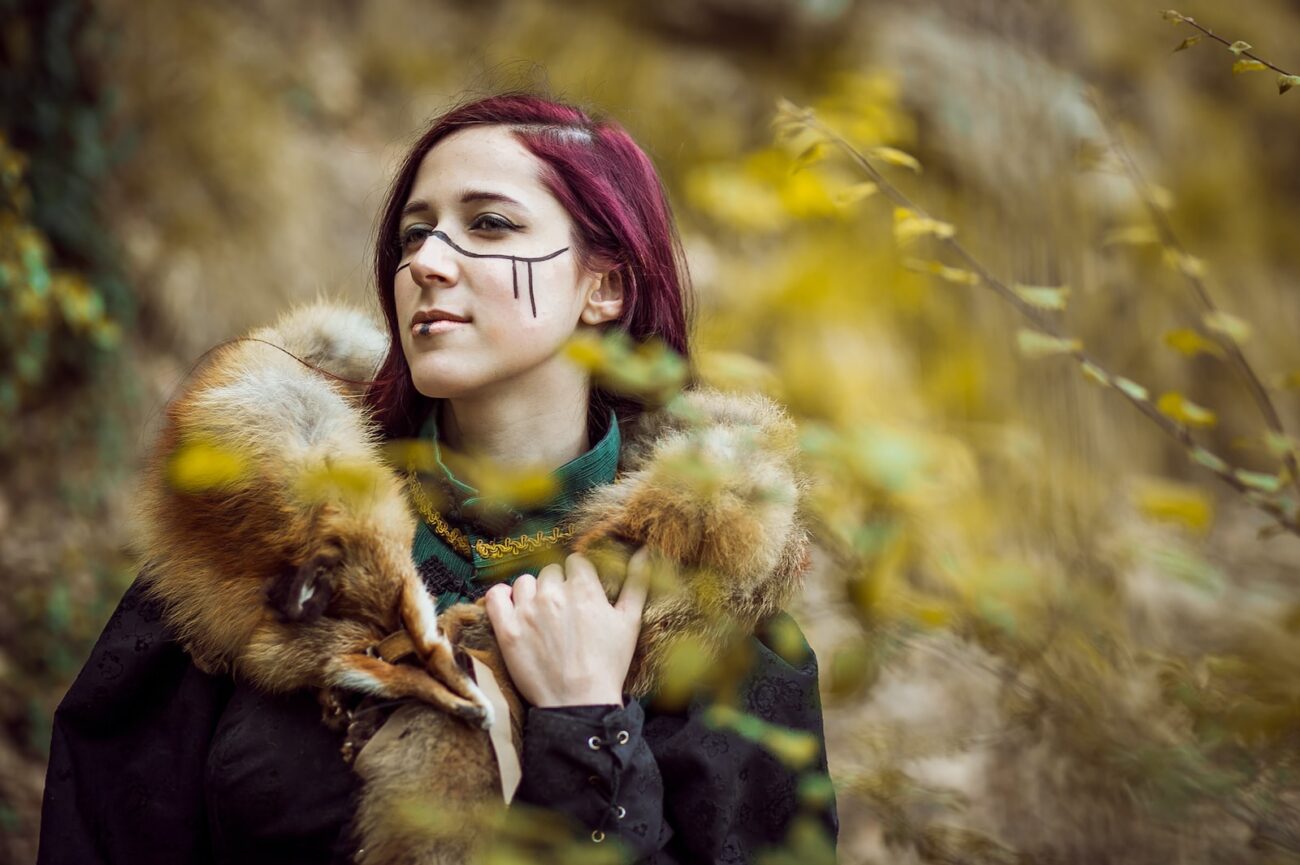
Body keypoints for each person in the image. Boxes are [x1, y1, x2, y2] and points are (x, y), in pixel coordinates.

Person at [36, 91, 838, 864]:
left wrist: (587, 720)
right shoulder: (271, 538)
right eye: (414, 234)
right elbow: (105, 824)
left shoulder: (712, 611)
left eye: (488, 224)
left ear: (605, 286)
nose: (426, 260)